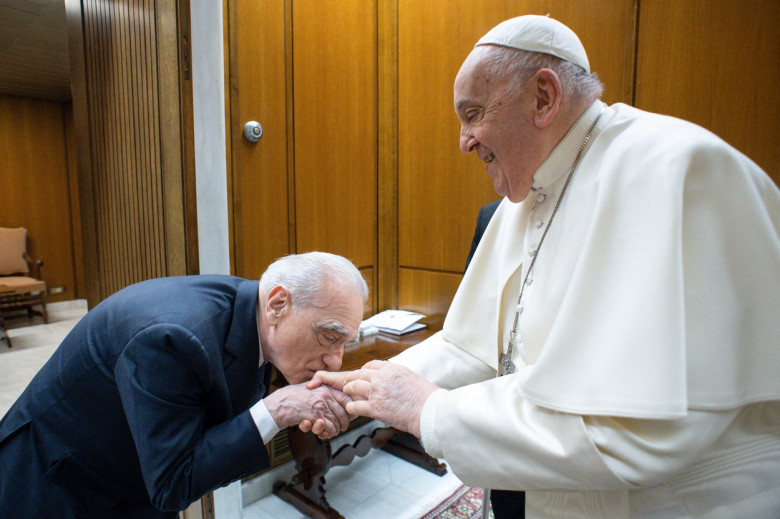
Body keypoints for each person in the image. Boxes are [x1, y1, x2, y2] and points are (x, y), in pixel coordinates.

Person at [311, 15, 780, 518]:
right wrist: (364, 388)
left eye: (472, 114)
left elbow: (632, 434)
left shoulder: (673, 170)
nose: (464, 141)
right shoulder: (527, 195)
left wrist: (428, 409)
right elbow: (471, 346)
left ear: (542, 97)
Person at [0, 252, 367, 518]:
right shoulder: (171, 338)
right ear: (278, 303)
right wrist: (279, 408)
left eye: (344, 342)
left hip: (140, 473)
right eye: (328, 337)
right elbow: (172, 483)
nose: (335, 360)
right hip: (57, 481)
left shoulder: (250, 316)